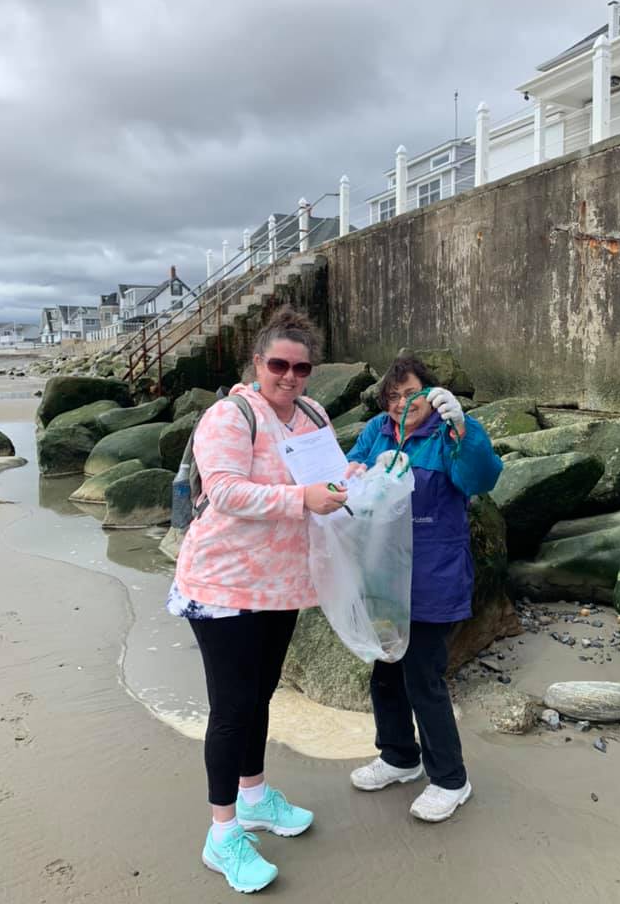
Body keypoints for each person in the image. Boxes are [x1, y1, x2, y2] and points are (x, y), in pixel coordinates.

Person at [167, 305, 347, 894]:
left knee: (262, 693)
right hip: (222, 584)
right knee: (232, 707)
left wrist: (356, 482)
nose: (290, 377)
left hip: (283, 583)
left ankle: (254, 797)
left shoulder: (314, 413)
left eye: (302, 368)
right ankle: (222, 837)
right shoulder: (230, 415)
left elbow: (329, 475)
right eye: (279, 365)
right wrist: (304, 498)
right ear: (257, 362)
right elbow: (222, 491)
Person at [345, 355, 502, 823]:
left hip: (434, 578)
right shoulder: (376, 429)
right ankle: (399, 757)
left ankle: (451, 780)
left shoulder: (449, 431)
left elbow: (481, 478)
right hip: (382, 578)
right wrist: (365, 471)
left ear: (431, 393)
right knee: (385, 671)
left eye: (408, 393)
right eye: (391, 396)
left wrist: (465, 429)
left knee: (423, 679)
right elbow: (350, 471)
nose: (399, 404)